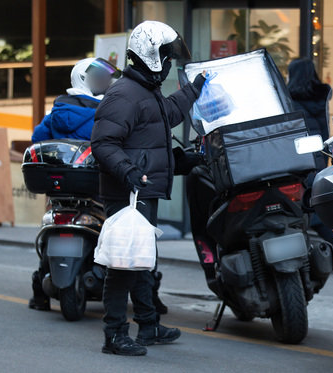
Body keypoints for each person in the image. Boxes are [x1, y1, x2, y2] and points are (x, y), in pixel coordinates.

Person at [90, 20, 206, 356]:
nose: (170, 62)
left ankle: (149, 325)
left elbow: (165, 115)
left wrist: (193, 89)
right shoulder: (124, 95)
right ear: (152, 56)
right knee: (124, 265)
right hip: (128, 192)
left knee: (141, 261)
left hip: (141, 189)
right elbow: (103, 142)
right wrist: (128, 172)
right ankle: (114, 335)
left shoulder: (144, 91)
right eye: (167, 55)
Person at [28, 57, 120, 312]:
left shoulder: (58, 111)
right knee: (114, 229)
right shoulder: (107, 113)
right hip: (97, 189)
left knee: (51, 230)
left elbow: (37, 140)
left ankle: (39, 291)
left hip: (62, 192)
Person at [287, 57, 333, 260]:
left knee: (305, 210)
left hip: (302, 160)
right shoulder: (319, 97)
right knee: (312, 207)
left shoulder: (291, 101)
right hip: (320, 158)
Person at [32, 57, 121, 142]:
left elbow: (38, 137)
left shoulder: (58, 110)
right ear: (82, 78)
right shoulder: (105, 114)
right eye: (101, 80)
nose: (107, 84)